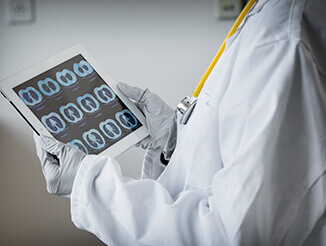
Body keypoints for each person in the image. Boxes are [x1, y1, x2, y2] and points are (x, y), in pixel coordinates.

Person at [34, 0, 326, 245]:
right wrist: (174, 141)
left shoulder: (281, 37)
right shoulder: (264, 16)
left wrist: (89, 185)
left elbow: (229, 236)